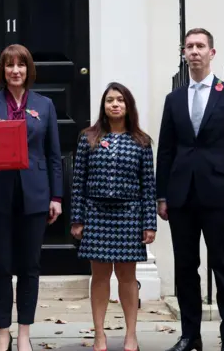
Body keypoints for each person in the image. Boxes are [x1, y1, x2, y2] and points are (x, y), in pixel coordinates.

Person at [157, 28, 224, 351]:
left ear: (212, 53)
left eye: (200, 46)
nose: (194, 51)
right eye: (189, 46)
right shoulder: (173, 99)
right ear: (183, 53)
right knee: (185, 268)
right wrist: (162, 194)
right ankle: (190, 336)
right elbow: (166, 151)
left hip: (221, 196)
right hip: (182, 195)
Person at [0, 44, 63, 351]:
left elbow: (53, 155)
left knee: (29, 266)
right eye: (9, 65)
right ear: (2, 70)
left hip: (35, 195)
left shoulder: (45, 105)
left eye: (21, 65)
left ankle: (24, 332)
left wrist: (57, 196)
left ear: (28, 69)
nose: (15, 70)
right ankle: (2, 332)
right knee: (0, 266)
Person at [70, 82, 156, 351]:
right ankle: (99, 335)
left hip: (129, 215)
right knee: (100, 276)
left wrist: (149, 223)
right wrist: (77, 219)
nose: (115, 104)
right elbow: (78, 181)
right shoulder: (89, 138)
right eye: (110, 100)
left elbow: (148, 185)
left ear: (128, 105)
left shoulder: (142, 142)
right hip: (96, 214)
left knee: (127, 276)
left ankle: (131, 334)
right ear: (103, 106)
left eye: (120, 100)